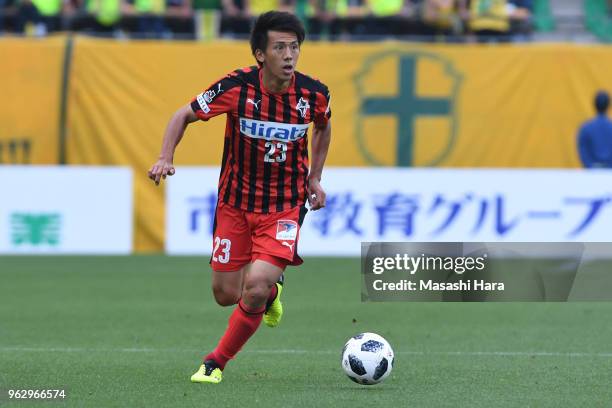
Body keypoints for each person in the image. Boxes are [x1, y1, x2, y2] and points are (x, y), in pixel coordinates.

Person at [147, 10, 332, 384]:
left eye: (294, 47)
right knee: (225, 294)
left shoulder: (314, 93)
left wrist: (315, 177)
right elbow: (183, 114)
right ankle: (270, 292)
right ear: (260, 54)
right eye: (279, 47)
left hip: (284, 204)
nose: (289, 55)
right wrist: (166, 156)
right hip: (235, 204)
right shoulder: (236, 87)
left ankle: (215, 363)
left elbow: (324, 128)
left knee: (257, 284)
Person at [577, 90, 612, 168]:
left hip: (592, 174)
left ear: (594, 105)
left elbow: (583, 151)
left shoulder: (585, 128)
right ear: (608, 106)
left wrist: (592, 167)